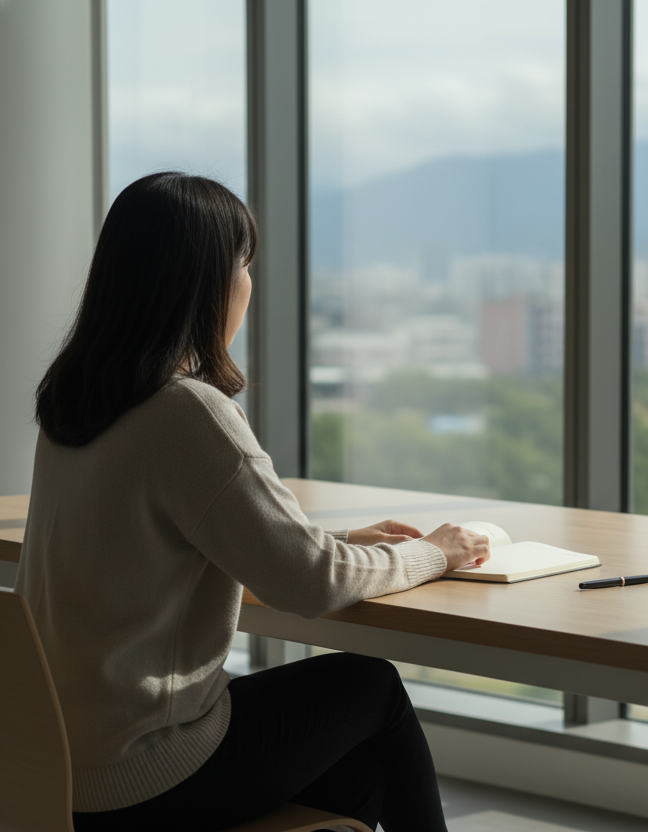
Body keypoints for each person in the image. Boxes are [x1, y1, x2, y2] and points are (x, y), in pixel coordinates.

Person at [13, 171, 491, 832]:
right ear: (202, 282)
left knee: (359, 781)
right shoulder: (184, 411)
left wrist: (342, 545)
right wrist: (431, 552)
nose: (248, 283)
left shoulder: (71, 400)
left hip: (59, 769)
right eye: (244, 263)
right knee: (370, 686)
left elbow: (162, 542)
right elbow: (309, 582)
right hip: (146, 773)